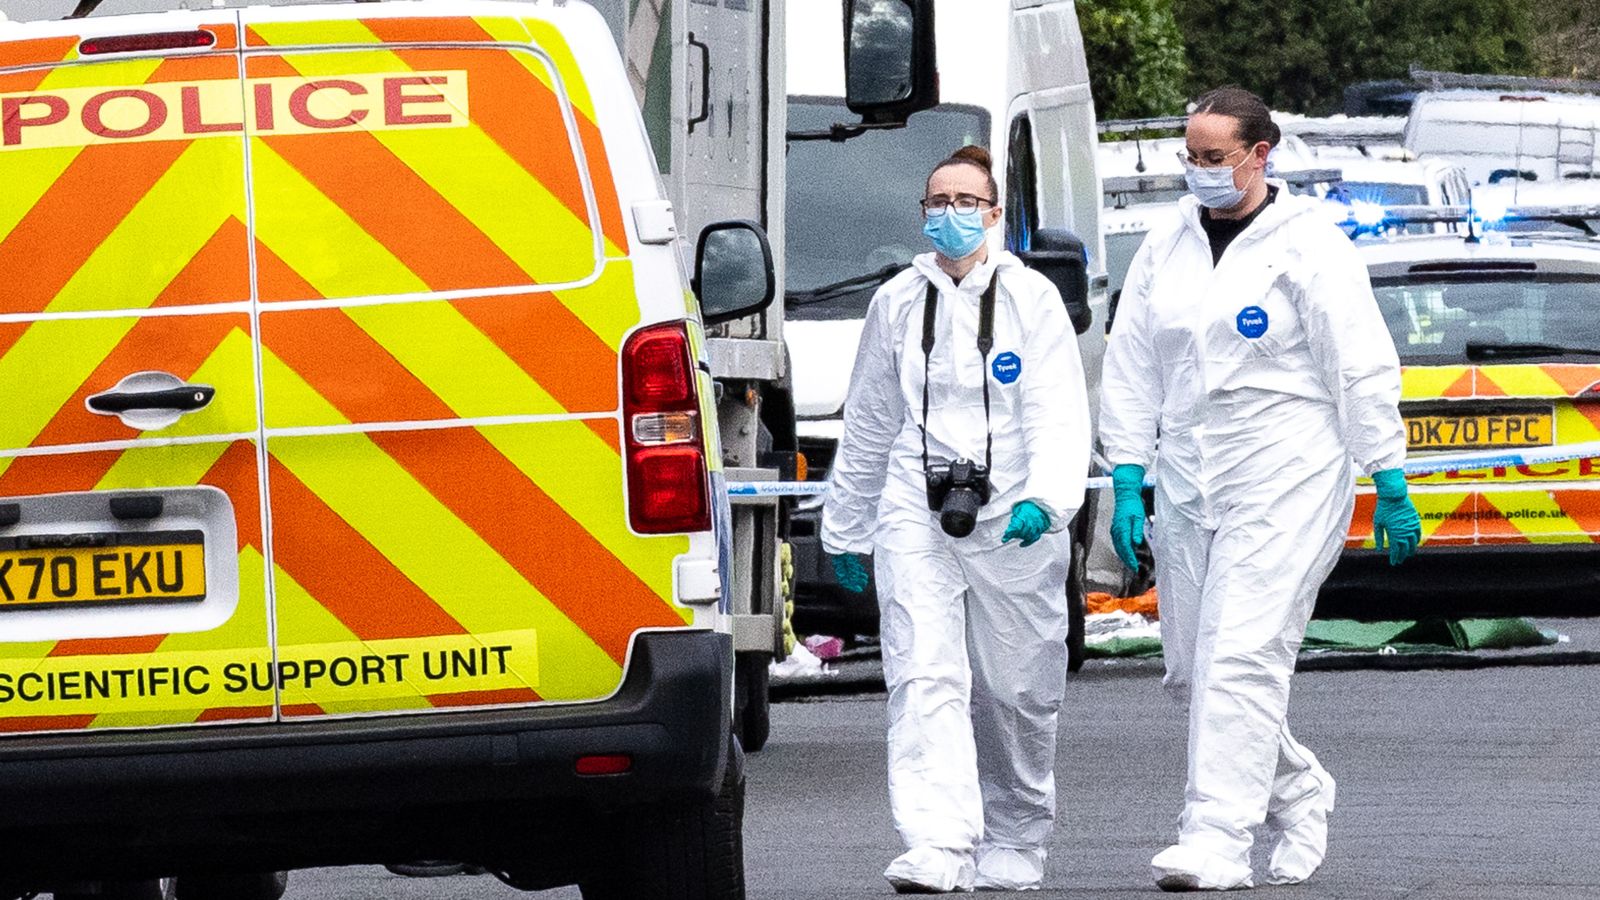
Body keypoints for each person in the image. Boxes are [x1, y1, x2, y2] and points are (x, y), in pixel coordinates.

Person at [1099, 86, 1422, 891]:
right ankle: (1299, 788)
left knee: (1241, 656)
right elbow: (1134, 361)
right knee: (1190, 672)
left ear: (1260, 155)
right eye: (1191, 156)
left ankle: (1215, 838)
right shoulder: (1166, 242)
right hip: (1189, 475)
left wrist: (1388, 475)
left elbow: (1359, 364)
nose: (1199, 171)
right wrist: (1129, 474)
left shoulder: (1309, 244)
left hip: (1287, 471)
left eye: (1215, 158)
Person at [821, 145, 1091, 893]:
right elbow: (871, 418)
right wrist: (845, 524)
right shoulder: (898, 301)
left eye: (967, 201)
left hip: (1015, 512)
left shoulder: (1031, 300)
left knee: (1016, 687)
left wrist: (1049, 497)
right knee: (924, 673)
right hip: (917, 501)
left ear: (996, 213)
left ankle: (1018, 830)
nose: (950, 214)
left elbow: (1059, 411)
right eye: (937, 201)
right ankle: (939, 842)